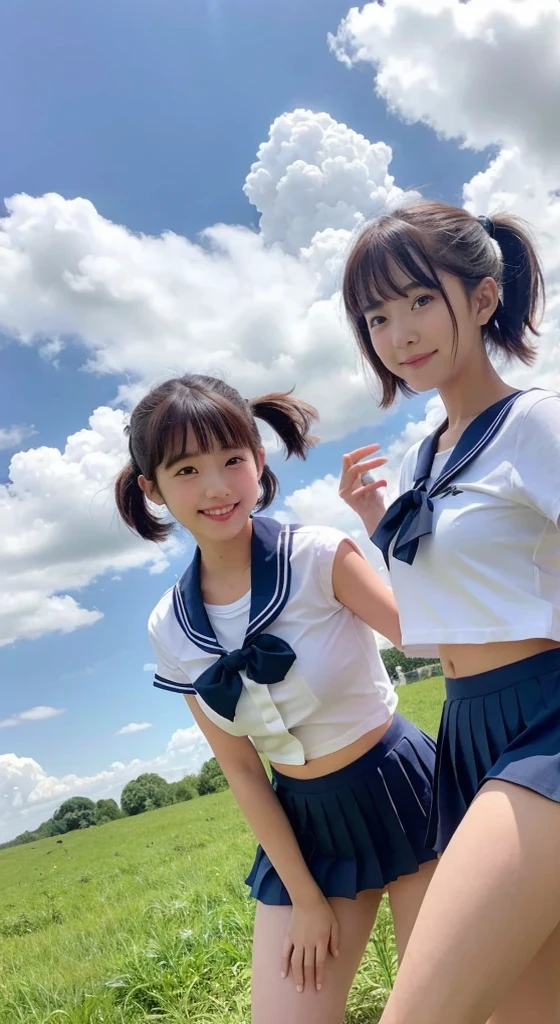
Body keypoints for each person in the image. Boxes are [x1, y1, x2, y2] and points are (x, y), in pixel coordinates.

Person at [338, 201, 560, 1024]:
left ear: (484, 298)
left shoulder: (535, 420)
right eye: (376, 316)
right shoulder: (430, 453)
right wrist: (377, 519)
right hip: (467, 735)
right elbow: (460, 581)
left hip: (551, 728)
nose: (399, 332)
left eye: (421, 300)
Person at [114, 374, 438, 1024]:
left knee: (445, 1010)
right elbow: (240, 768)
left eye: (233, 459)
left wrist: (383, 521)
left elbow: (429, 637)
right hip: (306, 830)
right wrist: (307, 898)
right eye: (186, 469)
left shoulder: (316, 555)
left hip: (408, 794)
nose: (217, 486)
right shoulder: (170, 628)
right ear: (151, 488)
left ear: (259, 461)